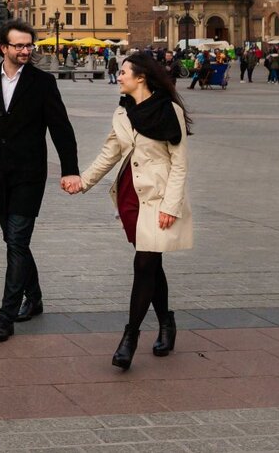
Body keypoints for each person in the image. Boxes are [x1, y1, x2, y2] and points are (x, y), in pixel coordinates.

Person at [68, 49, 192, 370]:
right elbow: (110, 152)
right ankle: (166, 322)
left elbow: (179, 164)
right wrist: (83, 181)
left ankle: (130, 337)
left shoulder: (169, 111)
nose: (119, 76)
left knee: (144, 262)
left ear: (141, 77)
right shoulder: (122, 112)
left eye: (124, 72)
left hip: (158, 198)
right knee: (151, 263)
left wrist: (171, 205)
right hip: (129, 196)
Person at [0, 20, 81, 343]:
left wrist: (70, 169)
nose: (25, 50)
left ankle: (5, 317)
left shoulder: (42, 82)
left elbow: (61, 128)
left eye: (28, 45)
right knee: (13, 240)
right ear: (3, 48)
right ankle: (34, 297)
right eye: (18, 45)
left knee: (17, 240)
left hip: (29, 174)